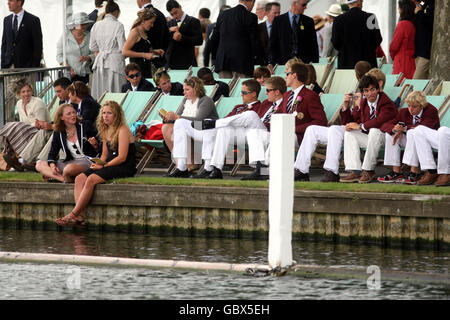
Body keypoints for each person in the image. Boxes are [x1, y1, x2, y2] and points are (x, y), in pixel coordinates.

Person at [55, 100, 137, 227]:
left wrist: (103, 166)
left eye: (109, 113)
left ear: (116, 115)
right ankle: (80, 216)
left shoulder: (122, 130)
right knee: (79, 178)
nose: (105, 116)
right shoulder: (105, 129)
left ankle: (73, 214)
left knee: (92, 179)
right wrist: (98, 162)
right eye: (103, 113)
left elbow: (122, 157)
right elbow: (104, 155)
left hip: (124, 166)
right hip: (109, 164)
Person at [171, 79, 266, 179]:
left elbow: (257, 123)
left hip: (248, 134)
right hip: (227, 132)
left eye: (244, 92)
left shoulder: (261, 107)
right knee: (180, 122)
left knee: (245, 116)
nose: (241, 95)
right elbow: (226, 120)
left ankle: (211, 125)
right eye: (241, 92)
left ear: (254, 94)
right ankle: (199, 168)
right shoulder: (238, 107)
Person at [340, 75, 397, 183]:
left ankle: (369, 170)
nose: (370, 94)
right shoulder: (364, 103)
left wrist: (361, 126)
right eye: (366, 91)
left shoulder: (386, 103)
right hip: (373, 139)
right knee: (349, 133)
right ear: (363, 93)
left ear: (378, 89)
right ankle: (356, 171)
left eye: (372, 89)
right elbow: (351, 122)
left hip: (389, 139)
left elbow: (380, 121)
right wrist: (345, 107)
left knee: (375, 130)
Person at [378, 91, 439, 184]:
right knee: (390, 134)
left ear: (421, 105)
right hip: (410, 141)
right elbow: (385, 125)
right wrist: (395, 128)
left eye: (414, 106)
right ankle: (396, 172)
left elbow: (424, 128)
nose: (410, 109)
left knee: (412, 133)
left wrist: (404, 128)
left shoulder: (431, 111)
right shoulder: (404, 112)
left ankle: (414, 172)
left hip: (427, 142)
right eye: (409, 105)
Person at [161, 77, 219, 165]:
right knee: (166, 128)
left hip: (204, 129)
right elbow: (178, 117)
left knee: (182, 127)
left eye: (187, 89)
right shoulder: (185, 100)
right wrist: (168, 119)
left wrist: (176, 117)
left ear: (196, 89)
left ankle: (190, 163)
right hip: (191, 128)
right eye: (184, 89)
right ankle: (179, 163)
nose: (184, 92)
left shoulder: (206, 101)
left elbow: (198, 120)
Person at [35, 104, 98, 183]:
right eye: (69, 114)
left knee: (68, 169)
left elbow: (99, 145)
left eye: (73, 112)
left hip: (87, 161)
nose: (73, 115)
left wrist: (95, 145)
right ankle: (63, 179)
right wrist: (52, 165)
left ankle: (60, 176)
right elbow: (52, 153)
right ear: (61, 117)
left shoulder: (85, 126)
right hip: (71, 161)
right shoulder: (58, 132)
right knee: (39, 165)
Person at [0, 79, 50, 170]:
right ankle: (17, 159)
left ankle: (19, 160)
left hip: (41, 132)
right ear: (18, 93)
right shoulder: (19, 104)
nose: (26, 94)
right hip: (26, 131)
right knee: (14, 128)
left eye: (28, 91)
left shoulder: (38, 102)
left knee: (17, 128)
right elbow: (23, 122)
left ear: (32, 91)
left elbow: (41, 124)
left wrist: (27, 126)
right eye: (23, 92)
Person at [210, 0, 260, 79]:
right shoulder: (251, 16)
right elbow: (254, 41)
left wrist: (216, 57)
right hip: (242, 62)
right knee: (242, 88)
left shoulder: (223, 14)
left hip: (223, 61)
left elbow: (214, 38)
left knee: (225, 89)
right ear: (252, 2)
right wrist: (258, 60)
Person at [89, 0, 126, 100]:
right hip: (115, 61)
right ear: (116, 12)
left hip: (100, 61)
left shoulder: (96, 25)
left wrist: (102, 49)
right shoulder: (118, 25)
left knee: (101, 91)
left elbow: (92, 47)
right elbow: (123, 47)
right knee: (117, 91)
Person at [331, 0, 382, 70]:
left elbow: (335, 42)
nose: (362, 3)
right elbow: (378, 39)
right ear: (358, 1)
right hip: (368, 64)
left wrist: (346, 50)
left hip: (346, 63)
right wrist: (367, 49)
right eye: (362, 1)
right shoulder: (370, 18)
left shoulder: (338, 20)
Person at [269, 0, 319, 67]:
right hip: (283, 65)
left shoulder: (308, 21)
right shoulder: (278, 21)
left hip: (303, 65)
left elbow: (313, 45)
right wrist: (273, 63)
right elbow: (273, 44)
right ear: (295, 4)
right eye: (303, 5)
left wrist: (314, 64)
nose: (305, 7)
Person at [122, 8, 164, 79]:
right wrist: (144, 55)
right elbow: (125, 52)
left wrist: (154, 51)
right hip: (137, 71)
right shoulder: (134, 32)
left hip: (146, 68)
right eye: (151, 22)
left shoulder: (144, 32)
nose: (152, 25)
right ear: (144, 21)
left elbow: (140, 48)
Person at [1, 0, 43, 69]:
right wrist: (3, 65)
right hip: (9, 67)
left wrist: (33, 67)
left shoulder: (33, 20)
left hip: (27, 68)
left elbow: (38, 46)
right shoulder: (6, 20)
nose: (8, 3)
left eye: (11, 0)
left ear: (19, 2)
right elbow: (4, 44)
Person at [57, 12, 95, 84]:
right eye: (81, 24)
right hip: (68, 75)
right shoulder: (65, 36)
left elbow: (95, 54)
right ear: (75, 25)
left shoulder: (90, 36)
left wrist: (88, 57)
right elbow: (59, 55)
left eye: (85, 23)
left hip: (84, 74)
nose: (84, 26)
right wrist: (67, 67)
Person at [165, 0, 203, 70]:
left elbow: (199, 40)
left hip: (187, 62)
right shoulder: (169, 23)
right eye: (172, 14)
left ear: (180, 7)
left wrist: (182, 38)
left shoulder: (193, 21)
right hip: (171, 64)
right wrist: (169, 30)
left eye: (176, 12)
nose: (175, 16)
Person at [136, 0, 169, 69]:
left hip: (146, 62)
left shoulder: (145, 16)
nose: (152, 25)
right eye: (151, 23)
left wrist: (152, 51)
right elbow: (167, 37)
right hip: (159, 59)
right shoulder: (161, 14)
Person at [390, 0, 416, 80]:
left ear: (402, 10)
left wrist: (393, 56)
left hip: (401, 62)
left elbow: (394, 46)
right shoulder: (414, 24)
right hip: (412, 61)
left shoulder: (402, 24)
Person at [413, 0, 434, 79]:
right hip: (419, 51)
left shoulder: (432, 5)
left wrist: (419, 13)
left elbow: (429, 22)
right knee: (422, 81)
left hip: (426, 53)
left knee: (416, 81)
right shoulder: (423, 5)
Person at [257, 2, 281, 66]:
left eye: (279, 13)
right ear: (267, 13)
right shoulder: (258, 28)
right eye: (275, 13)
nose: (278, 15)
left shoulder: (283, 28)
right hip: (262, 65)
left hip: (278, 65)